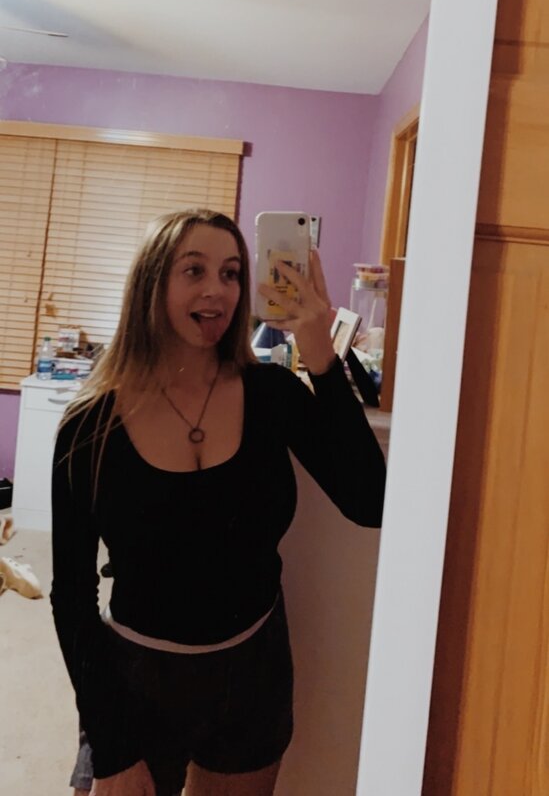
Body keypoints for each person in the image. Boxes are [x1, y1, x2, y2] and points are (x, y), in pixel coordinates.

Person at [50, 208, 386, 796]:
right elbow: (72, 595)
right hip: (136, 677)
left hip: (253, 670)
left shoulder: (272, 393)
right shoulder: (90, 427)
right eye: (194, 270)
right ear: (153, 283)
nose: (218, 290)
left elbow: (370, 501)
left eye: (231, 273)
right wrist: (112, 746)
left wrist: (321, 355)